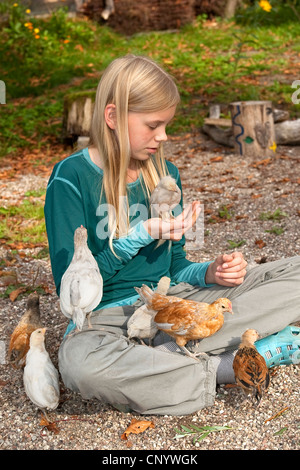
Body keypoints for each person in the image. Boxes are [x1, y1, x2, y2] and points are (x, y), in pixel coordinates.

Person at [44, 54, 300, 415]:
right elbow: (71, 290)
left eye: (165, 125)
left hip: (179, 305)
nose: (162, 136)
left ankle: (168, 355)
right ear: (113, 117)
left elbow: (177, 265)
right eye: (153, 125)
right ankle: (230, 363)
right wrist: (139, 234)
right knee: (81, 366)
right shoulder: (70, 179)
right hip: (107, 319)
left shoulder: (165, 174)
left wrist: (209, 272)